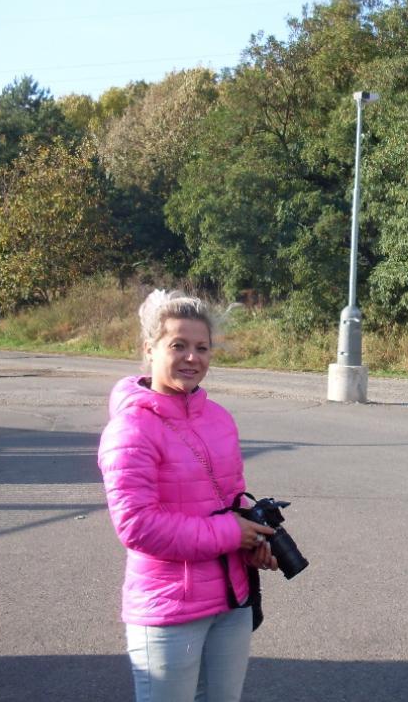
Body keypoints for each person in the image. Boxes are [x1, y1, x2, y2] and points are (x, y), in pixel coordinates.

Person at [98, 289, 277, 702]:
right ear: (150, 349)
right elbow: (137, 526)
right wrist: (231, 533)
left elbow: (232, 499)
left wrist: (253, 540)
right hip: (169, 609)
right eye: (178, 345)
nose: (192, 357)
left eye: (202, 347)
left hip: (232, 600)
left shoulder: (219, 418)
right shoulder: (131, 429)